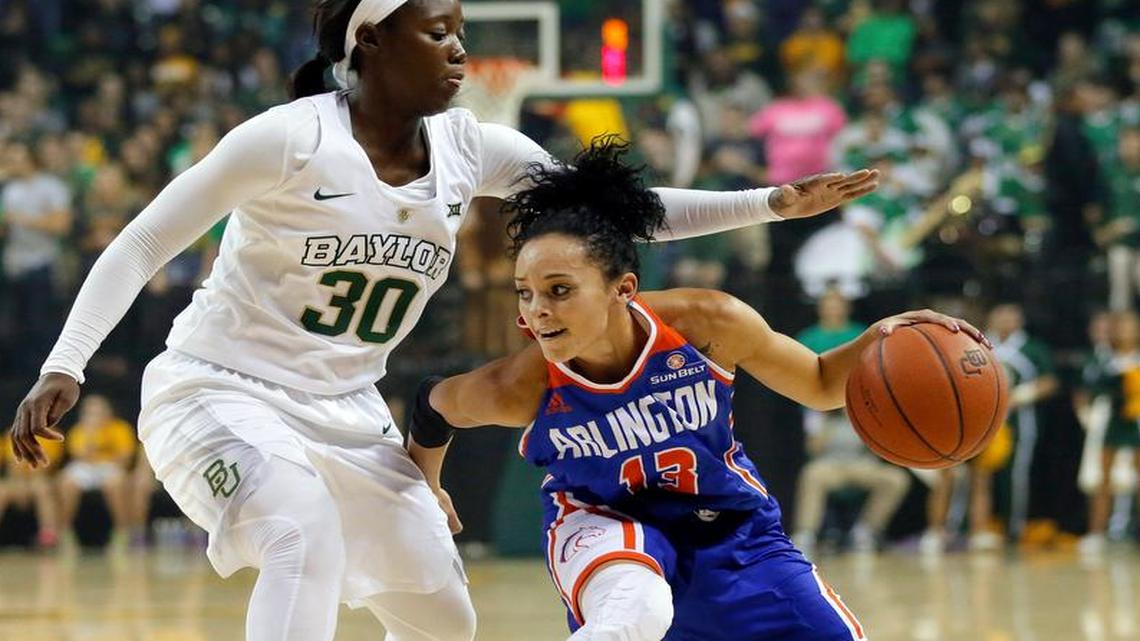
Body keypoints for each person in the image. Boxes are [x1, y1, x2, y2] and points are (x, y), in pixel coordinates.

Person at [9, 0, 878, 639]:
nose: (462, 50)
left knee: (441, 616)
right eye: (439, 33)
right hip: (218, 389)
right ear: (372, 42)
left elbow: (614, 211)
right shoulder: (289, 139)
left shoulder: (475, 148)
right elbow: (143, 239)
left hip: (349, 409)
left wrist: (770, 200)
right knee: (298, 533)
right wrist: (67, 362)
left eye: (462, 31)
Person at [406, 139, 986, 640]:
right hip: (603, 525)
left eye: (558, 290)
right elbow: (433, 404)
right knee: (638, 609)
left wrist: (886, 333)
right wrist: (427, 485)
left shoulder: (707, 324)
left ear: (622, 288)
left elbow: (820, 383)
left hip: (734, 530)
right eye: (524, 293)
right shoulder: (524, 384)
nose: (536, 312)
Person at [57, 395, 137, 548]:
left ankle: (122, 532)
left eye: (99, 411)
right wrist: (91, 435)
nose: (96, 415)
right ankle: (65, 532)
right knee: (67, 482)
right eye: (91, 412)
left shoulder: (120, 428)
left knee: (115, 483)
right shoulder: (79, 431)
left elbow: (125, 460)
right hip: (86, 468)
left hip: (110, 467)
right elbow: (80, 457)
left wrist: (104, 460)